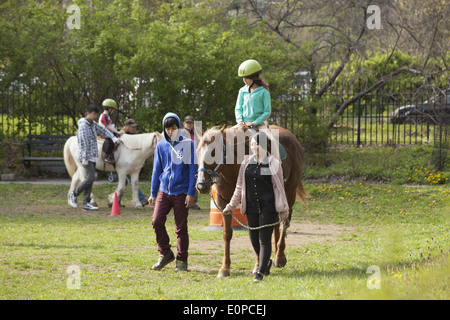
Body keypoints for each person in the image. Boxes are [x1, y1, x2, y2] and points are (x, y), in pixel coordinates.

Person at [223, 132, 289, 282]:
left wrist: (284, 210)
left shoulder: (274, 164)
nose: (253, 147)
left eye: (256, 144)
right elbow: (239, 186)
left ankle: (260, 273)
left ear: (265, 146)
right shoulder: (246, 162)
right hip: (251, 207)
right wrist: (231, 205)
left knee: (264, 239)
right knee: (253, 239)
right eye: (252, 145)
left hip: (268, 207)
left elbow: (279, 188)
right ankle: (266, 262)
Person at [149, 112, 198, 271]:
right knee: (156, 221)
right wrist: (153, 193)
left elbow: (193, 170)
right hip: (164, 191)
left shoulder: (188, 144)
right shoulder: (161, 146)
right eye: (167, 128)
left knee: (181, 228)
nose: (171, 131)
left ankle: (182, 262)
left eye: (174, 128)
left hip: (182, 193)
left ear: (179, 127)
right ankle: (165, 254)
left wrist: (191, 193)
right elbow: (157, 170)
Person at [68, 104, 121, 211]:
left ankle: (86, 203)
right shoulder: (84, 126)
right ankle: (74, 194)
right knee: (90, 178)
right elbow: (83, 144)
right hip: (86, 156)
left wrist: (114, 138)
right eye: (94, 114)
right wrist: (84, 159)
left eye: (96, 114)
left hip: (92, 156)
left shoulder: (92, 124)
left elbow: (103, 130)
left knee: (91, 179)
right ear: (88, 113)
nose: (95, 116)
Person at [234, 59, 280, 160]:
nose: (244, 80)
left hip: (258, 124)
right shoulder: (242, 91)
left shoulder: (264, 92)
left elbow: (267, 112)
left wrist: (254, 123)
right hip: (242, 123)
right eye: (243, 78)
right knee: (228, 137)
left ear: (254, 78)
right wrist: (239, 120)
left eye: (246, 78)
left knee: (271, 140)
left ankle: (278, 165)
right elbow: (238, 108)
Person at [116, 118, 149, 207]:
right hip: (124, 162)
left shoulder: (136, 136)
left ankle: (115, 201)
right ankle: (142, 199)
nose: (134, 128)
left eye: (135, 127)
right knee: (130, 180)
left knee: (125, 182)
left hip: (133, 162)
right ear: (127, 127)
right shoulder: (122, 135)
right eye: (132, 127)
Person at [182, 115, 202, 210]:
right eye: (187, 123)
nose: (189, 124)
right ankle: (183, 200)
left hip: (195, 158)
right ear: (184, 123)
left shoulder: (197, 134)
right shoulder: (181, 133)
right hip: (184, 159)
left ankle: (193, 201)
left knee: (195, 178)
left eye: (190, 123)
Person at [98, 98, 124, 164]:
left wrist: (119, 131)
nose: (113, 111)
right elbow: (107, 126)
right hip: (104, 133)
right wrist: (117, 132)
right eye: (113, 109)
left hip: (108, 132)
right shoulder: (104, 116)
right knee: (111, 141)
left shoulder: (106, 116)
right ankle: (107, 156)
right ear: (110, 108)